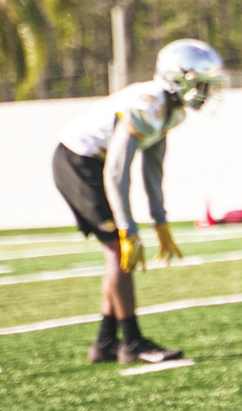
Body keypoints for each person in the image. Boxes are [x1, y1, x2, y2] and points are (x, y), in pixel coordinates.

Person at [52, 39, 225, 364]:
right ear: (179, 78)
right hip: (79, 161)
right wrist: (127, 227)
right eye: (203, 83)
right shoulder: (146, 104)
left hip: (94, 163)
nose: (206, 91)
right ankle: (131, 343)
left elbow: (152, 167)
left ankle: (105, 343)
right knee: (119, 250)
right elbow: (117, 171)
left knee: (116, 254)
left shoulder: (172, 111)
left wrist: (160, 221)